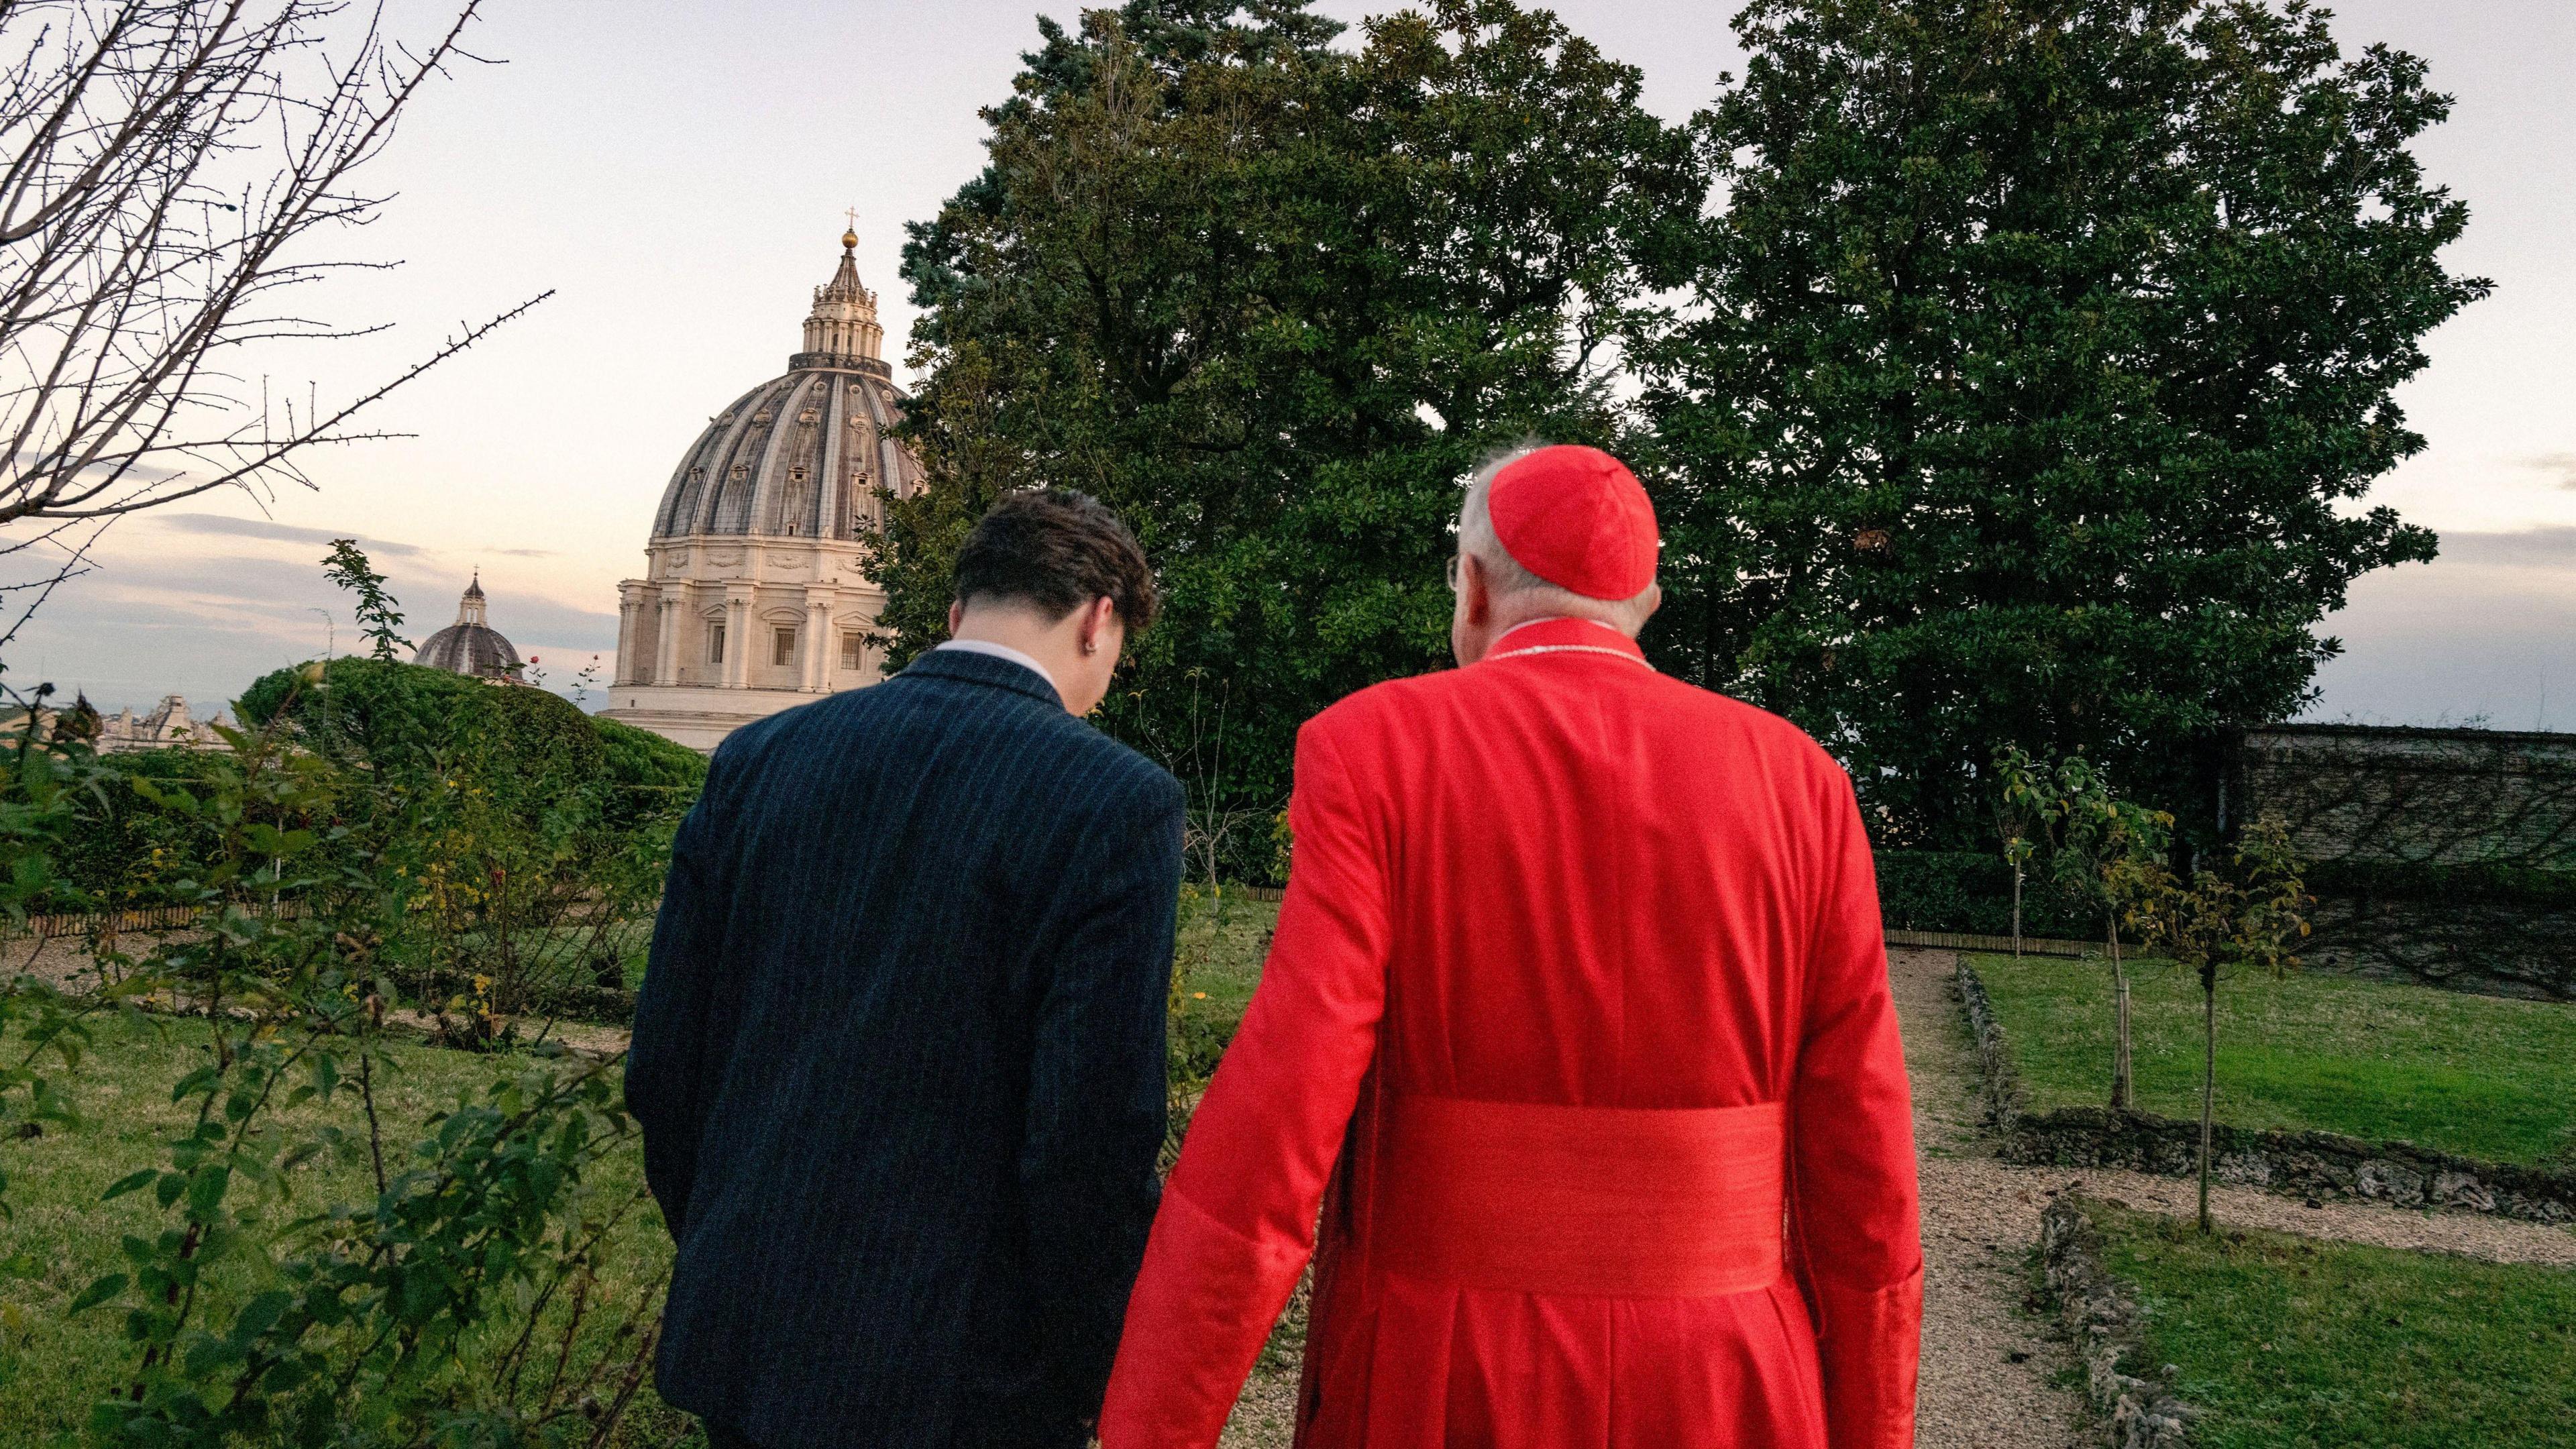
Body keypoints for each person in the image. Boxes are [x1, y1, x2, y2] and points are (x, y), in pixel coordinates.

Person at [1097, 445, 1923, 1449]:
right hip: (1726, 1376)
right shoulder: (1804, 783)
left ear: (1474, 586)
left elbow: (1274, 1134)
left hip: (1446, 1369)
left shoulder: (1373, 750)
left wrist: (1157, 1427)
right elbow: (1865, 1170)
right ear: (1647, 600)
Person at [629, 488, 1185, 1449]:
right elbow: (1089, 1137)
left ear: (955, 612)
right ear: (1101, 621)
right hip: (964, 1371)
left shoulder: (760, 759)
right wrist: (1092, 1360)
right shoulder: (1114, 802)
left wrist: (737, 1247)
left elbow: (667, 1069)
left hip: (751, 1326)